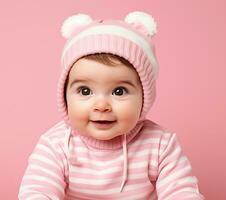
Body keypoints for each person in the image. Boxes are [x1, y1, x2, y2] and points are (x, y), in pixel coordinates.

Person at [18, 11, 204, 200]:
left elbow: (181, 192)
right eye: (84, 91)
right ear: (65, 96)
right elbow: (37, 191)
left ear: (145, 96)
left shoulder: (160, 145)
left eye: (119, 91)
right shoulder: (56, 145)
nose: (101, 105)